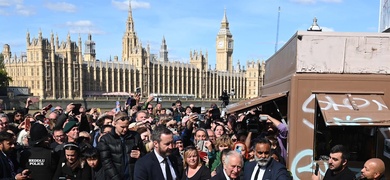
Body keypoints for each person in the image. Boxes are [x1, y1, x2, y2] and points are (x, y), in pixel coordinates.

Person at [98, 112, 146, 180]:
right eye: (122, 127)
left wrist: (140, 155)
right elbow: (106, 162)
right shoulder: (105, 140)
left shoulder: (135, 136)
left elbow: (145, 155)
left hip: (132, 176)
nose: (125, 129)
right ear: (114, 124)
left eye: (127, 126)